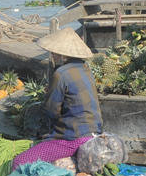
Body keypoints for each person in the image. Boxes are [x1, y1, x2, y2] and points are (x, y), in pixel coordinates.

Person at [11, 28, 103, 168]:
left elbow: (51, 111)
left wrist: (49, 92)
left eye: (54, 53)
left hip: (73, 138)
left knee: (19, 162)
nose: (52, 56)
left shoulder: (60, 74)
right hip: (94, 132)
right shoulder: (86, 68)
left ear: (63, 56)